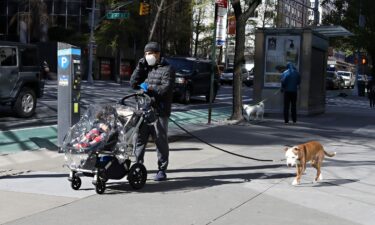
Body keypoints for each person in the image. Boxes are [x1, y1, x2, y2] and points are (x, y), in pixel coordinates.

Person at [130, 42, 175, 181]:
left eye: (151, 53)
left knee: (160, 140)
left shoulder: (168, 68)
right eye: (146, 53)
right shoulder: (145, 67)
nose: (148, 56)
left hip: (159, 111)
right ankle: (137, 166)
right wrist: (139, 67)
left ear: (158, 54)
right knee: (139, 139)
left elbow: (166, 89)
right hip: (144, 109)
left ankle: (162, 170)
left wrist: (151, 89)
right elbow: (133, 83)